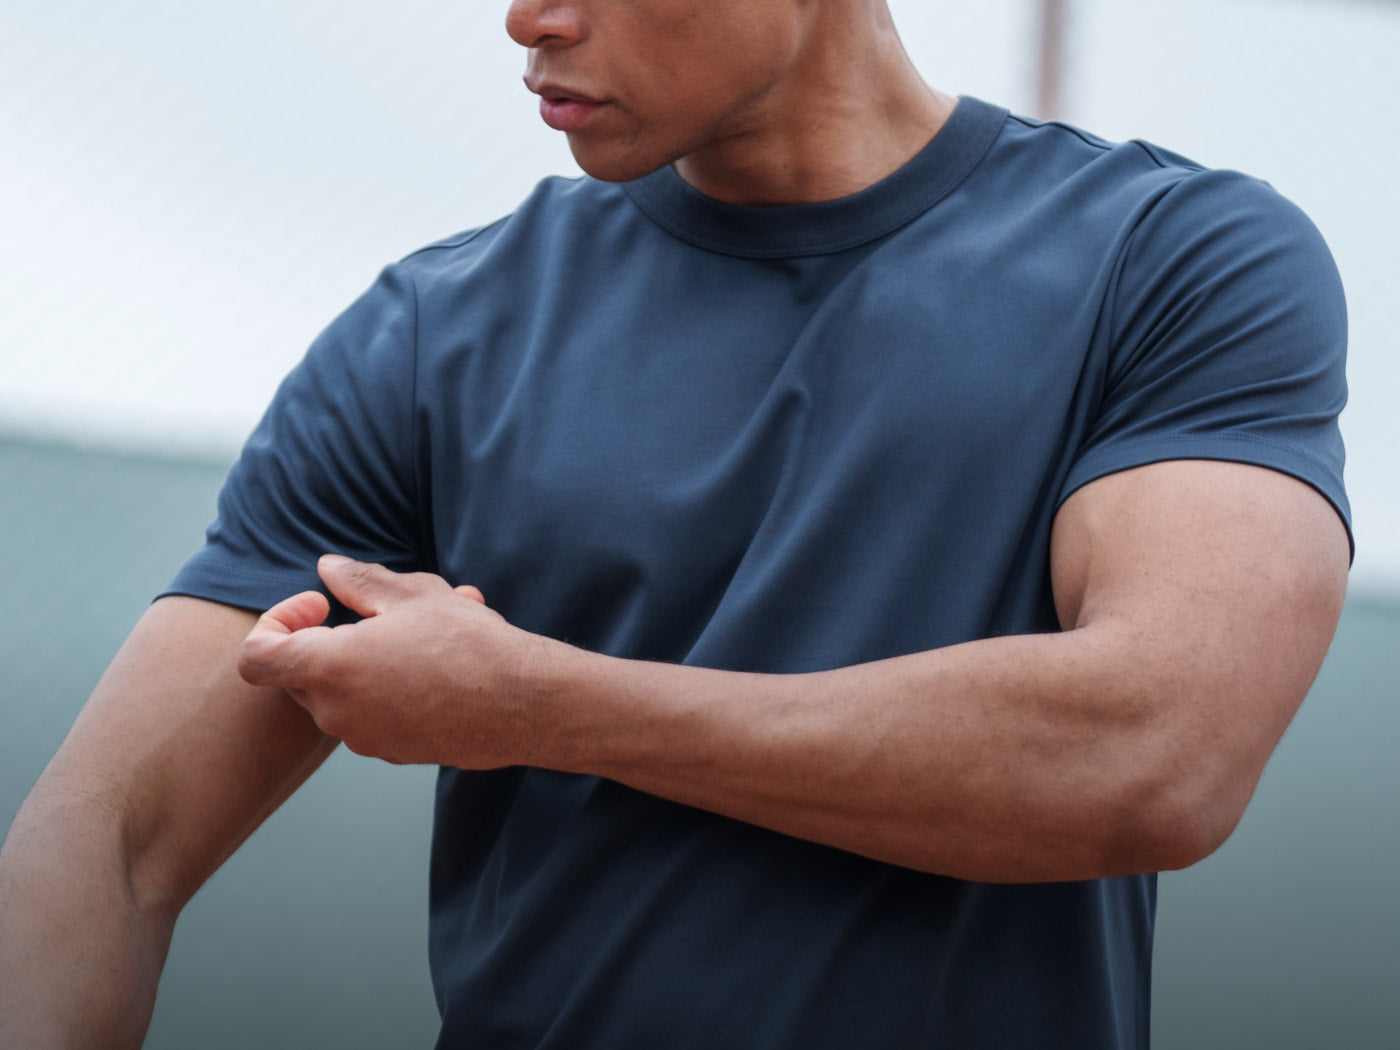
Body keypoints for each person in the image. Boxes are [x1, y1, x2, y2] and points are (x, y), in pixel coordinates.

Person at [0, 0, 1351, 1047]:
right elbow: (108, 839)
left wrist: (537, 705)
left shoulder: (1177, 261)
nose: (526, 18)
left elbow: (1156, 753)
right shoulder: (433, 333)